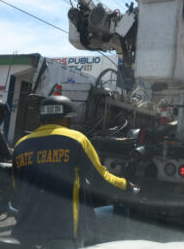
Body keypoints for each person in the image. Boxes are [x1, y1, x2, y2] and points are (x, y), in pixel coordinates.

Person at [11, 95, 134, 248]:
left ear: (42, 118)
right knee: (122, 210)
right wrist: (126, 185)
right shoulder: (76, 140)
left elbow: (17, 188)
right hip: (63, 233)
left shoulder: (21, 144)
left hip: (24, 233)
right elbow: (100, 179)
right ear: (67, 119)